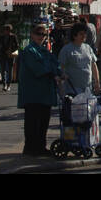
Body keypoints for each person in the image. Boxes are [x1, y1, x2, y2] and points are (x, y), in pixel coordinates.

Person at [18, 22, 61, 156]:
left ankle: (40, 146)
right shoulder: (29, 51)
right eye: (38, 34)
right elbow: (39, 70)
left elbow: (56, 65)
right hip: (33, 93)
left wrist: (58, 73)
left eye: (43, 34)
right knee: (32, 122)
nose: (40, 37)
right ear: (32, 35)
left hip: (45, 93)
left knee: (43, 121)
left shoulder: (45, 51)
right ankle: (30, 147)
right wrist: (53, 72)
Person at [57, 22, 100, 97]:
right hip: (72, 90)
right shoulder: (66, 49)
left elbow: (93, 65)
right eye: (81, 34)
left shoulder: (88, 48)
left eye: (85, 33)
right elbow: (61, 67)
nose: (84, 36)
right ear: (74, 36)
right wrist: (62, 76)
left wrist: (97, 82)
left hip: (88, 89)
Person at [0, 25, 19, 92]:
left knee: (10, 70)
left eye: (7, 30)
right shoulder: (1, 37)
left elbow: (17, 46)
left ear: (10, 30)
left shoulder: (13, 37)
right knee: (3, 70)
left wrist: (11, 50)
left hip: (10, 55)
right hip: (3, 55)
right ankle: (4, 84)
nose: (6, 32)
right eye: (5, 30)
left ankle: (8, 85)